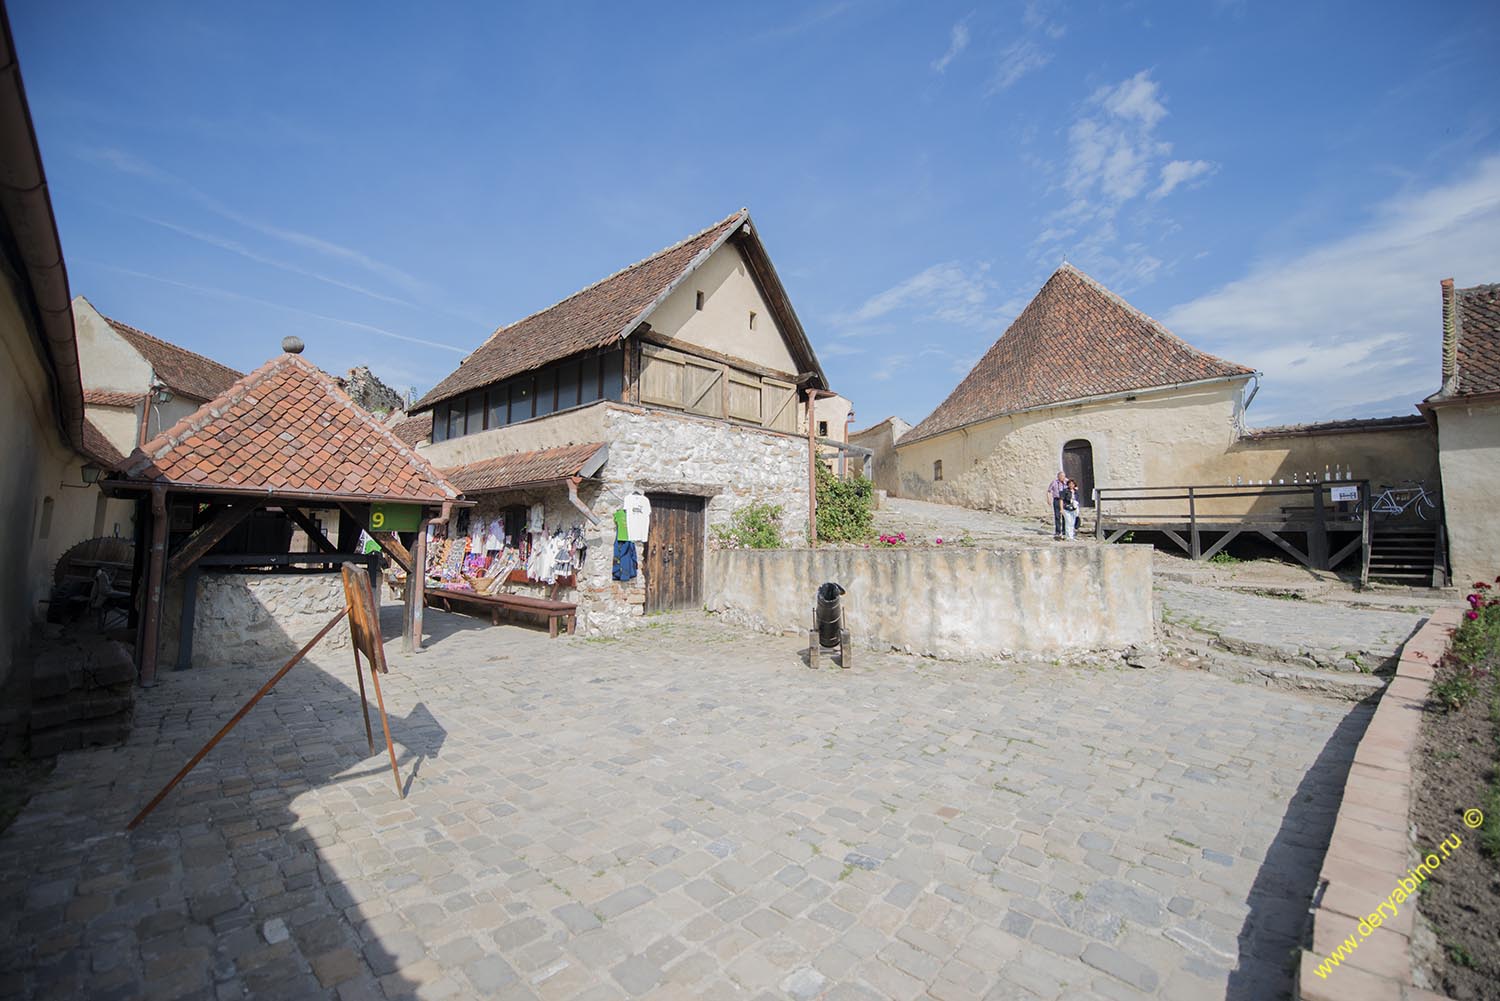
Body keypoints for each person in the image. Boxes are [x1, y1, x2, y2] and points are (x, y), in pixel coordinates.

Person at [1047, 471, 1067, 540]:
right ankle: (1058, 531)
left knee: (1065, 516)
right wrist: (1049, 499)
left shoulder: (1067, 482)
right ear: (1058, 477)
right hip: (1057, 500)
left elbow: (1074, 487)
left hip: (1065, 500)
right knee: (1057, 516)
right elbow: (1049, 491)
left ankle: (1064, 531)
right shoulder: (1054, 482)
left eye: (1063, 476)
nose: (1062, 478)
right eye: (1061, 476)